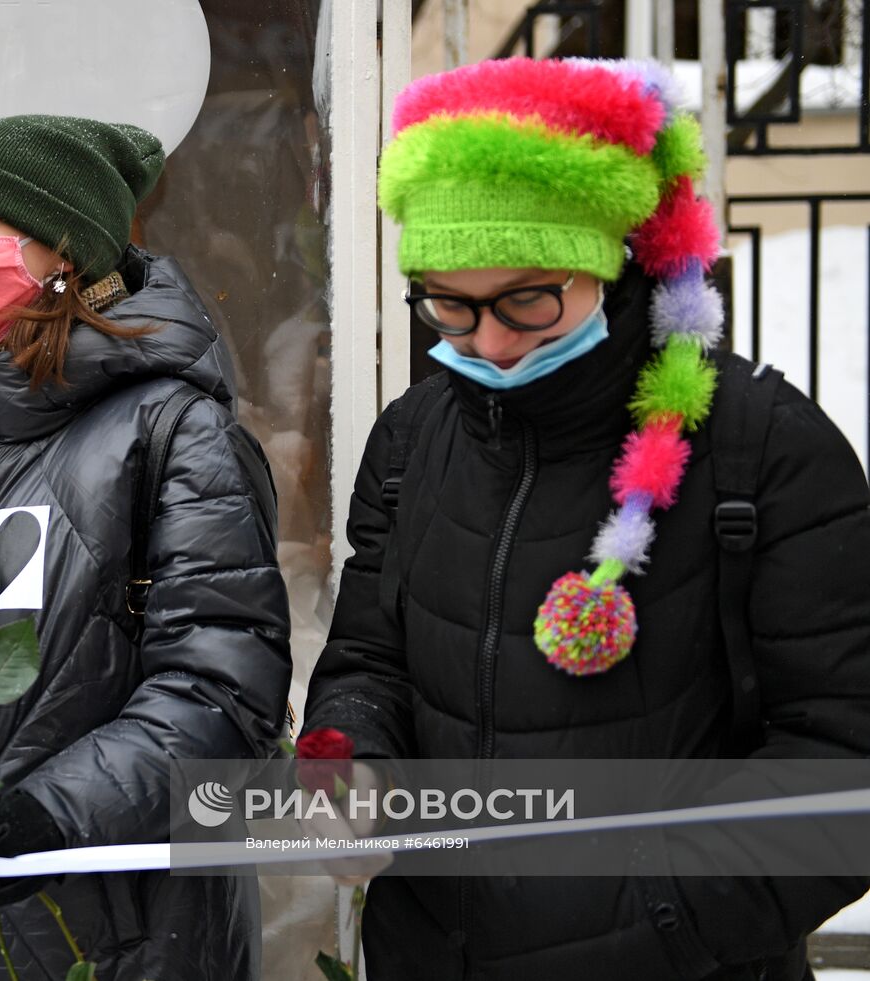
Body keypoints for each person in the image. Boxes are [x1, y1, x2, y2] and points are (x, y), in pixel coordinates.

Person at [304, 58, 870, 980]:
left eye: (528, 298)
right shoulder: (414, 439)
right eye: (449, 303)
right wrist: (348, 763)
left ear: (612, 264)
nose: (488, 341)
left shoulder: (761, 448)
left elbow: (844, 762)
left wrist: (658, 921)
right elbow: (371, 660)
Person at [0, 115, 292, 980]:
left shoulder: (178, 433)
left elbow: (225, 693)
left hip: (102, 931)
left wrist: (58, 809)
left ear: (61, 251)